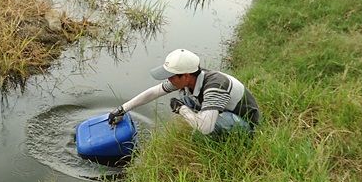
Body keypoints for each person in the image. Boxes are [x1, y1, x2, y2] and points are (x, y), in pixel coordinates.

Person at [108, 48, 260, 139]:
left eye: (171, 76)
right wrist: (122, 109)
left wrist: (181, 110)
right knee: (186, 97)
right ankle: (205, 119)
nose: (168, 80)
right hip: (224, 111)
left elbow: (206, 129)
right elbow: (154, 92)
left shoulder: (215, 86)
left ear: (185, 76)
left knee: (200, 134)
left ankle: (222, 139)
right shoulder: (191, 79)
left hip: (246, 125)